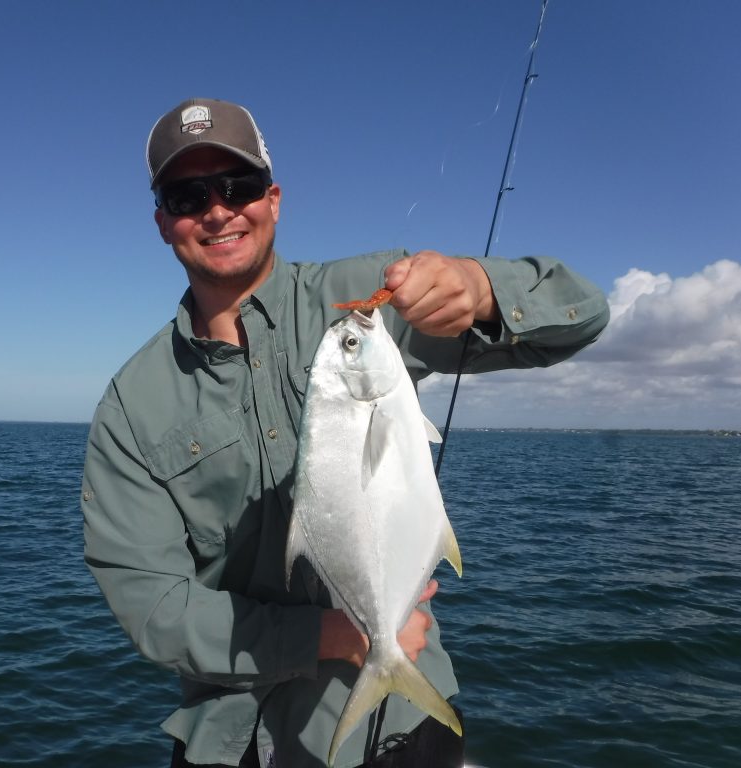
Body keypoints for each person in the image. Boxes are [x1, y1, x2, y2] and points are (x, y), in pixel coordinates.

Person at [82, 97, 610, 768]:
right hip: (233, 742)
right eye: (189, 195)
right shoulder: (135, 403)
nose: (218, 210)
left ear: (273, 200)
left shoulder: (369, 299)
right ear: (163, 221)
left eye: (238, 187)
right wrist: (331, 636)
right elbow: (152, 605)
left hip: (405, 726)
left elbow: (584, 314)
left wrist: (478, 288)